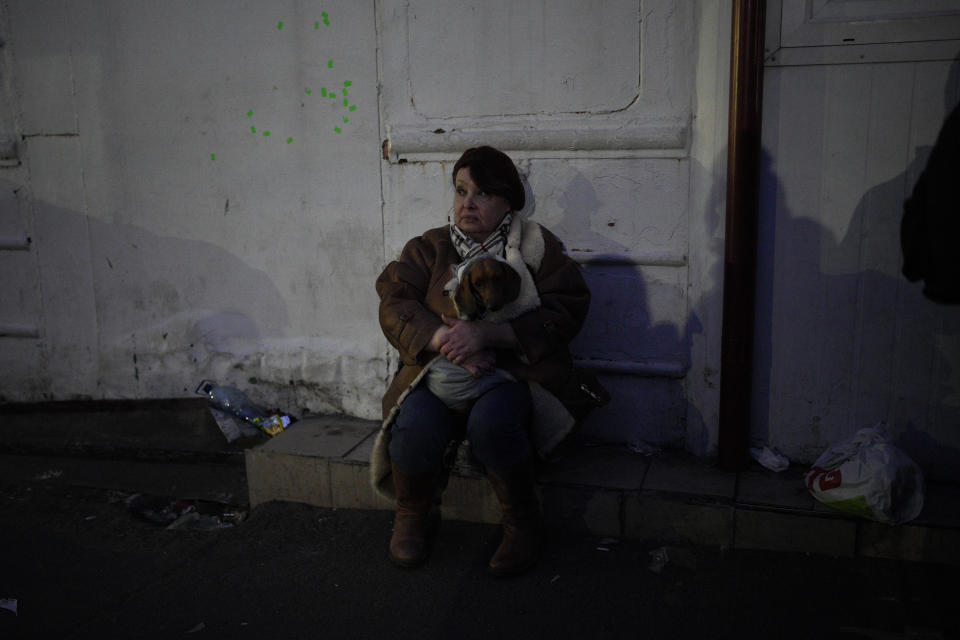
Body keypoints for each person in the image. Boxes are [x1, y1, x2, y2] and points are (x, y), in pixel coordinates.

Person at [372, 145, 602, 576]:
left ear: (508, 201)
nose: (467, 203)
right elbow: (394, 301)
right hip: (437, 377)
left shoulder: (535, 246)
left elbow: (567, 307)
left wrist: (492, 334)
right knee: (415, 422)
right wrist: (441, 337)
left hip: (509, 376)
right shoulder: (429, 248)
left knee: (493, 423)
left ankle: (522, 523)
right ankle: (411, 516)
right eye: (460, 191)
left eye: (482, 194)